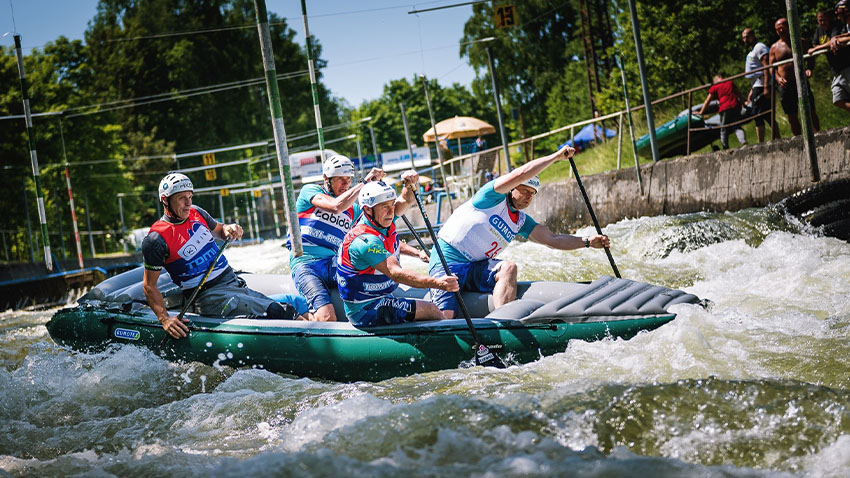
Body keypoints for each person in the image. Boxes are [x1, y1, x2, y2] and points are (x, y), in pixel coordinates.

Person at [427, 145, 610, 319]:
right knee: (447, 316)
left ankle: (503, 323)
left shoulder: (521, 221)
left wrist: (586, 241)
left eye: (533, 193)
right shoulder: (490, 196)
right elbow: (521, 173)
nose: (529, 197)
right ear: (512, 188)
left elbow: (552, 239)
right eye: (525, 191)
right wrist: (555, 157)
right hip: (447, 261)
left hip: (476, 268)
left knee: (509, 267)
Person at [142, 173, 301, 339]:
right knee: (279, 311)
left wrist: (230, 228)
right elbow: (149, 286)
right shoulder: (156, 239)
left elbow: (221, 230)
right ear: (165, 200)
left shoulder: (196, 212)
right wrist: (165, 319)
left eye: (190, 196)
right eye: (182, 198)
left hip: (232, 282)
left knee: (287, 309)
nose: (188, 203)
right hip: (209, 297)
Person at [336, 178, 459, 327]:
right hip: (366, 309)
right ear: (368, 209)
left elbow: (407, 200)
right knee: (431, 309)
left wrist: (410, 183)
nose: (391, 211)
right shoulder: (365, 241)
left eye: (391, 205)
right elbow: (395, 273)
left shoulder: (380, 219)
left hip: (382, 296)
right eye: (384, 206)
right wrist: (438, 283)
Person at [288, 154, 385, 322]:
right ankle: (292, 309)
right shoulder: (310, 191)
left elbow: (380, 224)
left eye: (348, 179)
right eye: (341, 179)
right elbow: (335, 207)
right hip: (305, 263)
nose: (346, 184)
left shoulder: (354, 209)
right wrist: (364, 183)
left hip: (333, 263)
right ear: (327, 178)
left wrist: (407, 192)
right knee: (327, 318)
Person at [770, 17, 821, 135]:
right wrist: (778, 78)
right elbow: (771, 67)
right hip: (785, 85)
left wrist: (809, 68)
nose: (781, 30)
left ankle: (817, 134)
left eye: (783, 26)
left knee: (810, 109)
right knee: (791, 115)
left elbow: (810, 57)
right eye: (778, 29)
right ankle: (798, 140)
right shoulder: (774, 47)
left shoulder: (800, 41)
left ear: (788, 26)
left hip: (800, 81)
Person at [809, 2, 850, 113]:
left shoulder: (836, 25)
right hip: (835, 69)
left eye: (824, 19)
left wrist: (816, 49)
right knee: (837, 99)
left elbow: (833, 42)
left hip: (846, 65)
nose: (822, 22)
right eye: (819, 20)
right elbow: (816, 43)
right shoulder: (819, 29)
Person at [742, 27, 780, 142]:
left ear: (753, 36)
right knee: (765, 115)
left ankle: (761, 142)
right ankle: (776, 139)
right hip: (757, 86)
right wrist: (752, 89)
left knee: (757, 114)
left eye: (747, 36)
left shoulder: (759, 47)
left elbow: (766, 66)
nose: (745, 39)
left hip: (762, 85)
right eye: (743, 37)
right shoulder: (752, 50)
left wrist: (766, 86)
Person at [698, 73, 747, 150]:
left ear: (716, 80)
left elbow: (708, 100)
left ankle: (725, 147)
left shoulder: (715, 86)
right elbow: (739, 93)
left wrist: (701, 112)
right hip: (735, 106)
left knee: (724, 129)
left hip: (724, 108)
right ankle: (743, 142)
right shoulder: (730, 82)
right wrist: (743, 104)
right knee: (737, 126)